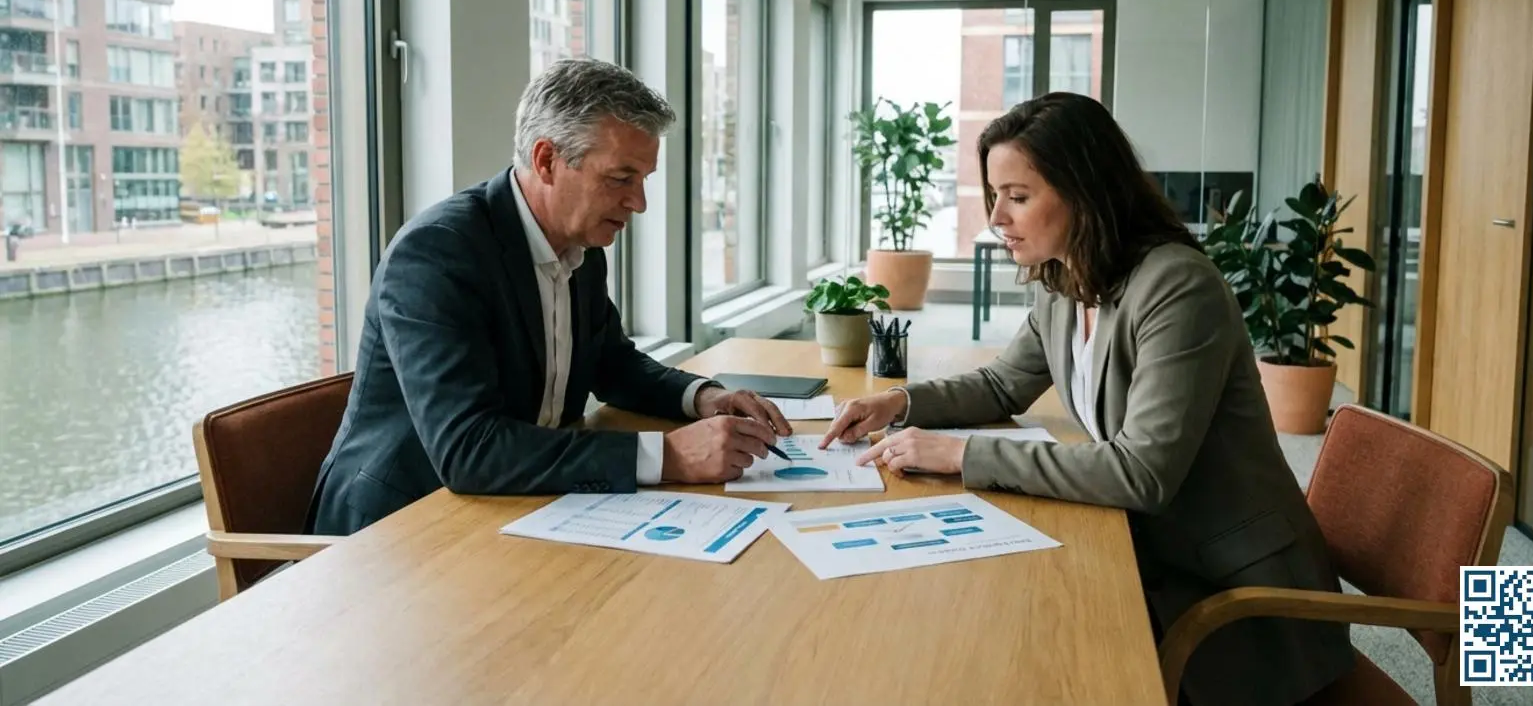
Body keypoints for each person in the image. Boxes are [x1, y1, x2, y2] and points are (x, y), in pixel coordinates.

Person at [820, 92, 1354, 706]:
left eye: (1018, 197)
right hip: (1152, 554)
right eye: (995, 195)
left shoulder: (1178, 288)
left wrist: (960, 453)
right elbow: (1002, 384)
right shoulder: (1064, 278)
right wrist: (898, 403)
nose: (997, 217)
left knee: (1033, 662)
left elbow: (1140, 472)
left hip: (1234, 599)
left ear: (1086, 192)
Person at [307, 59, 792, 535]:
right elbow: (468, 449)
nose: (638, 203)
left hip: (514, 505)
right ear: (546, 161)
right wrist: (669, 456)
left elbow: (612, 365)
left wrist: (704, 397)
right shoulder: (437, 254)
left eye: (643, 180)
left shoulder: (580, 243)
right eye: (621, 178)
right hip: (398, 530)